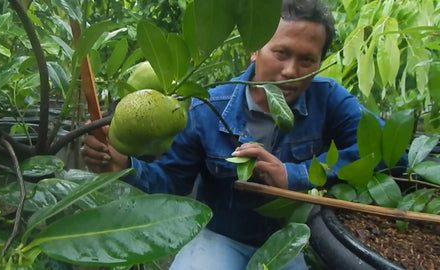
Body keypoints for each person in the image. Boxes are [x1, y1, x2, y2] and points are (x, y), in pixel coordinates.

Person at [83, 0, 362, 269]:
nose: (291, 70)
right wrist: (124, 165)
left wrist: (294, 175)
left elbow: (387, 153)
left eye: (307, 60)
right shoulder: (207, 108)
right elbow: (172, 183)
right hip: (220, 239)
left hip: (289, 241)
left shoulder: (329, 99)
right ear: (255, 48)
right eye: (281, 53)